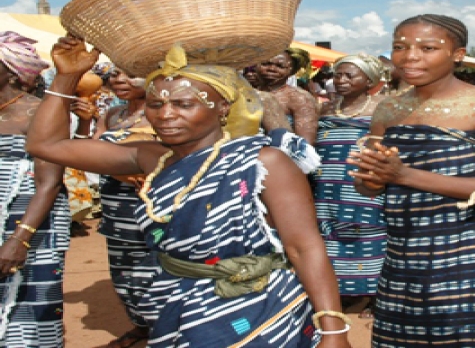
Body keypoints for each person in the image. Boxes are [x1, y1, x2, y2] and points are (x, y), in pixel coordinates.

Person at [28, 38, 352, 348]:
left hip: (258, 304)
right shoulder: (150, 158)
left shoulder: (262, 161)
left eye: (184, 104)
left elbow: (305, 247)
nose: (166, 114)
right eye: (156, 103)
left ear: (223, 107)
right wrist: (66, 78)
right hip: (175, 300)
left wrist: (334, 329)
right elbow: (45, 145)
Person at [349, 14, 475, 346]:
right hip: (403, 256)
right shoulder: (388, 109)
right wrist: (374, 176)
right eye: (400, 47)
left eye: (428, 48)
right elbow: (368, 185)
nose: (410, 57)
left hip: (468, 256)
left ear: (457, 54)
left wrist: (404, 175)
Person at [70, 66, 155, 347]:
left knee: (154, 275)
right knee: (124, 276)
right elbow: (87, 155)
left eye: (130, 73)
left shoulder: (164, 114)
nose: (119, 80)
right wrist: (84, 122)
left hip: (152, 210)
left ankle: (163, 333)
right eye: (115, 74)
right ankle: (141, 328)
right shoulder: (113, 115)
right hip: (116, 209)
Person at [0, 31, 69, 347]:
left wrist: (18, 239)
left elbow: (49, 182)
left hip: (30, 224)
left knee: (27, 310)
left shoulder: (39, 112)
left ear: (12, 71)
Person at [313, 53, 388, 318]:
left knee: (366, 236)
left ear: (369, 80)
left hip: (363, 185)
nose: (341, 80)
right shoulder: (327, 108)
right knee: (329, 238)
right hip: (327, 186)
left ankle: (371, 298)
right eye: (337, 75)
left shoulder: (384, 107)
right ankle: (339, 298)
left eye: (349, 75)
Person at [256, 48, 319, 143]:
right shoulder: (246, 93)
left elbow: (306, 143)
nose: (271, 69)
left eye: (280, 66)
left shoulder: (298, 98)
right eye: (265, 64)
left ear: (292, 71)